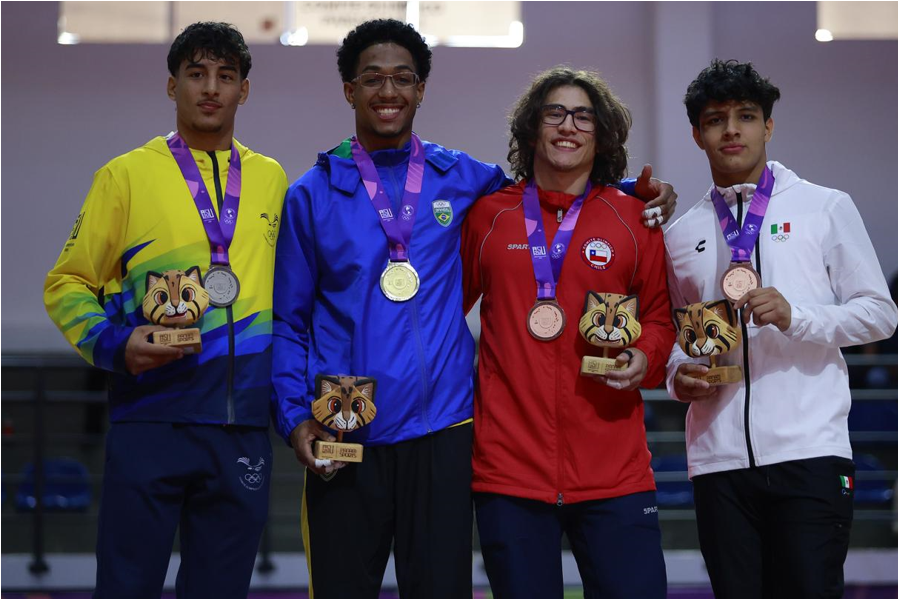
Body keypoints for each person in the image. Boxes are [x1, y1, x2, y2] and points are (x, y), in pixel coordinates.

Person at [272, 19, 676, 598]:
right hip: (347, 426)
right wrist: (294, 417)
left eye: (403, 78)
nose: (389, 91)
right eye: (373, 78)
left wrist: (636, 193)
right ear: (349, 89)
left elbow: (559, 192)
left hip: (444, 432)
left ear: (421, 89)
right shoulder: (311, 194)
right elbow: (288, 323)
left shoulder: (464, 180)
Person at [43, 22, 287, 598]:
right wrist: (114, 345)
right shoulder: (125, 175)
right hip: (150, 419)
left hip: (240, 425)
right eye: (196, 74)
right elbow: (67, 282)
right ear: (172, 85)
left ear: (244, 90)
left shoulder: (273, 179)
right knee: (127, 587)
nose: (211, 88)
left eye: (226, 76)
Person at [664, 59, 897, 598]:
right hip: (717, 460)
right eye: (715, 120)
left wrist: (799, 317)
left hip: (810, 453)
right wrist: (679, 375)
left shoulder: (825, 207)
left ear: (768, 126)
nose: (732, 130)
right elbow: (675, 335)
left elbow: (880, 314)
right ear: (697, 134)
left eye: (746, 116)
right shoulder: (680, 235)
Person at [460, 66, 673, 598]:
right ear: (533, 128)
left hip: (615, 472)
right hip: (509, 470)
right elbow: (442, 313)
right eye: (554, 113)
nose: (568, 126)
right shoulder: (488, 217)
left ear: (601, 135)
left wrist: (646, 356)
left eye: (583, 116)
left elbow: (659, 317)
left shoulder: (634, 219)